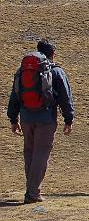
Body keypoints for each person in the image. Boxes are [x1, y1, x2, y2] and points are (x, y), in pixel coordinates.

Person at [7, 40, 75, 204]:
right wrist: (69, 118)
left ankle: (31, 190)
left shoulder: (22, 70)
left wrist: (13, 119)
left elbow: (14, 95)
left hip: (26, 117)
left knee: (29, 152)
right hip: (46, 118)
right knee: (41, 154)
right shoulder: (56, 71)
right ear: (53, 54)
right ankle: (33, 193)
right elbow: (65, 97)